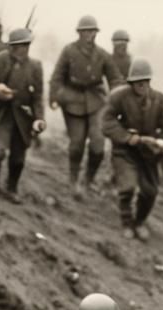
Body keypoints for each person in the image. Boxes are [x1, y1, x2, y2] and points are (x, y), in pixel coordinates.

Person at [102, 58, 163, 241]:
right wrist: (129, 138)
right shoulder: (119, 97)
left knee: (150, 192)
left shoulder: (159, 99)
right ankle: (127, 222)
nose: (141, 86)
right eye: (137, 82)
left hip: (149, 154)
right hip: (125, 151)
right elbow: (107, 123)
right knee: (127, 187)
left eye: (145, 82)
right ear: (131, 83)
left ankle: (140, 222)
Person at [49, 15, 122, 197]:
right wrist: (54, 96)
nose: (90, 35)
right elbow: (57, 75)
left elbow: (115, 78)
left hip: (96, 101)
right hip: (73, 101)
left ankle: (88, 180)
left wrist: (118, 98)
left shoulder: (102, 54)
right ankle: (73, 180)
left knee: (98, 145)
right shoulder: (69, 51)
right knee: (77, 144)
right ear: (79, 33)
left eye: (93, 32)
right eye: (86, 31)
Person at [0, 27, 45, 203]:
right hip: (1, 114)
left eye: (27, 45)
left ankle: (11, 188)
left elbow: (38, 97)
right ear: (11, 47)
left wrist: (39, 119)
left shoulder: (35, 67)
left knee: (18, 159)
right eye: (20, 46)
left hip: (22, 118)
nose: (24, 49)